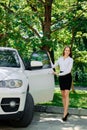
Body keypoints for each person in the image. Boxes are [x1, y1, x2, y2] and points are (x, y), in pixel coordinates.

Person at [48, 46, 73, 121]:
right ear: (64, 51)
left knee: (66, 94)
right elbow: (52, 66)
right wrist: (49, 58)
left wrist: (57, 74)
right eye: (66, 50)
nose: (67, 52)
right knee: (63, 95)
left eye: (69, 51)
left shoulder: (71, 60)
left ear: (70, 52)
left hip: (68, 77)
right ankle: (66, 111)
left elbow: (68, 71)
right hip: (61, 78)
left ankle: (65, 113)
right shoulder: (60, 59)